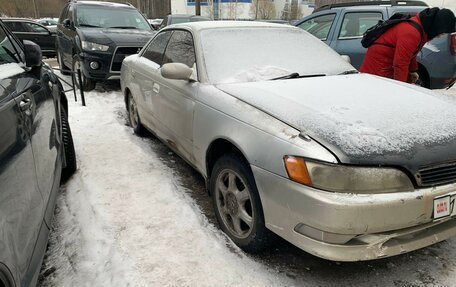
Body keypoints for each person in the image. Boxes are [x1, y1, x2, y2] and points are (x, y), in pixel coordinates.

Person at [360, 8, 456, 84]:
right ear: (437, 28)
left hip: (385, 65)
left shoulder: (420, 28)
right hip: (378, 67)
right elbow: (400, 63)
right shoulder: (411, 33)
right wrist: (403, 89)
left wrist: (413, 70)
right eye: (442, 33)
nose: (440, 35)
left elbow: (410, 54)